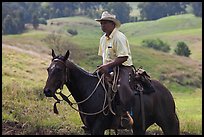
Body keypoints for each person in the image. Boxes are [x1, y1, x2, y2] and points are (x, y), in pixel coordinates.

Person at [95, 11, 135, 128]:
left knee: (121, 86)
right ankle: (95, 117)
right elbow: (103, 57)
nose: (102, 25)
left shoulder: (119, 37)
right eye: (101, 23)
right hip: (107, 68)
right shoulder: (103, 39)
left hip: (123, 68)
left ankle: (125, 114)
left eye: (105, 23)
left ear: (112, 24)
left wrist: (108, 66)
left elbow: (123, 57)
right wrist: (105, 67)